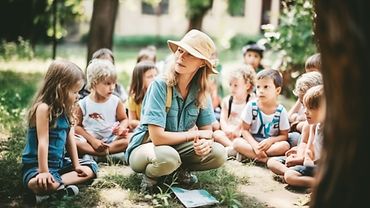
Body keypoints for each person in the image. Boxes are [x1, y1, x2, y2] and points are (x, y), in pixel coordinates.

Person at [125, 29, 227, 193]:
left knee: (219, 153)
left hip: (177, 148)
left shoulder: (201, 91)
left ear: (202, 63)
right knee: (168, 157)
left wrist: (205, 143)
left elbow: (208, 131)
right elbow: (157, 138)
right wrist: (195, 135)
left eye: (190, 54)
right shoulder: (160, 85)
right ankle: (150, 176)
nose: (181, 57)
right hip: (146, 148)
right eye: (180, 51)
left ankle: (178, 172)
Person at [21, 60, 98, 204]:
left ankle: (54, 188)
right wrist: (44, 172)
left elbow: (70, 141)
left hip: (59, 164)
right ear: (60, 89)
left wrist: (76, 165)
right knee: (37, 182)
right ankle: (52, 187)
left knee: (91, 168)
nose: (78, 96)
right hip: (37, 166)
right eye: (74, 92)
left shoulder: (66, 109)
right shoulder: (44, 108)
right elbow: (43, 142)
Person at [75, 59, 130, 162]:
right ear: (94, 83)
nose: (112, 87)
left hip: (111, 139)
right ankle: (109, 155)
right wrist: (93, 141)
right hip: (90, 141)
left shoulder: (116, 101)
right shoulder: (83, 104)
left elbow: (124, 119)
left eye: (114, 83)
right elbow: (77, 127)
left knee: (130, 139)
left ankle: (96, 155)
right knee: (75, 141)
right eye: (107, 83)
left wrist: (121, 129)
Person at [233, 69, 290, 163]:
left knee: (285, 146)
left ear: (277, 90)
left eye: (266, 87)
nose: (260, 91)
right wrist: (255, 146)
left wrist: (271, 141)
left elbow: (284, 135)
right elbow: (244, 130)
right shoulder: (251, 106)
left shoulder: (281, 111)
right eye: (258, 87)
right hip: (252, 142)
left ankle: (249, 156)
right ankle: (266, 160)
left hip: (270, 145)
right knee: (237, 143)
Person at [284, 85, 325, 188]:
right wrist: (307, 161)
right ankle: (319, 184)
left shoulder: (332, 130)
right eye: (305, 107)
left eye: (311, 108)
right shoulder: (314, 126)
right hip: (315, 167)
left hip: (329, 170)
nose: (305, 111)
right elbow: (309, 151)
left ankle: (323, 185)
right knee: (289, 175)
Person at [213, 64, 256, 156]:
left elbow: (247, 121)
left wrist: (237, 130)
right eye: (230, 84)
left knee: (244, 140)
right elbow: (223, 119)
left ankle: (234, 149)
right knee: (217, 134)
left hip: (243, 133)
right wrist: (226, 130)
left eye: (236, 85)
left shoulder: (251, 100)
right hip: (229, 133)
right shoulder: (227, 101)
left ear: (247, 85)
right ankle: (235, 149)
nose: (232, 88)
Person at [127, 60, 158, 130]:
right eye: (150, 76)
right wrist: (145, 124)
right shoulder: (133, 98)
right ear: (139, 80)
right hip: (142, 129)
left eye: (156, 75)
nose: (155, 79)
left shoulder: (159, 94)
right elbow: (131, 122)